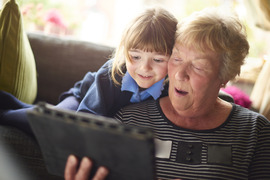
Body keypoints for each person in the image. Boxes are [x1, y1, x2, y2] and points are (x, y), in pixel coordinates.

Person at [65, 7, 270, 180]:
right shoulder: (124, 120)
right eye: (177, 59)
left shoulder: (256, 132)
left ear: (225, 77)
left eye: (198, 67)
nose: (179, 74)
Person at [0, 7, 177, 134]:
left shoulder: (171, 88)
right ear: (124, 52)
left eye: (158, 60)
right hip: (81, 99)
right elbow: (85, 117)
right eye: (136, 57)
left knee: (42, 113)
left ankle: (13, 103)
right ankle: (5, 113)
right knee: (53, 123)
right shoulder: (112, 75)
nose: (144, 68)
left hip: (101, 114)